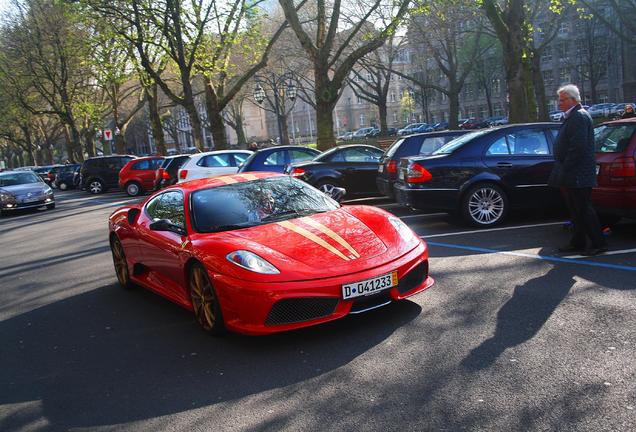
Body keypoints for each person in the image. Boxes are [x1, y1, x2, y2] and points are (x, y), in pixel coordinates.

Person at [548, 84, 607, 256]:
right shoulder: (572, 116)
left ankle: (598, 243)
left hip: (579, 174)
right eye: (559, 99)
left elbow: (578, 147)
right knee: (576, 210)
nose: (559, 103)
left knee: (584, 209)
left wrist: (566, 166)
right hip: (574, 173)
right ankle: (578, 242)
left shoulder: (579, 117)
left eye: (562, 99)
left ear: (573, 100)